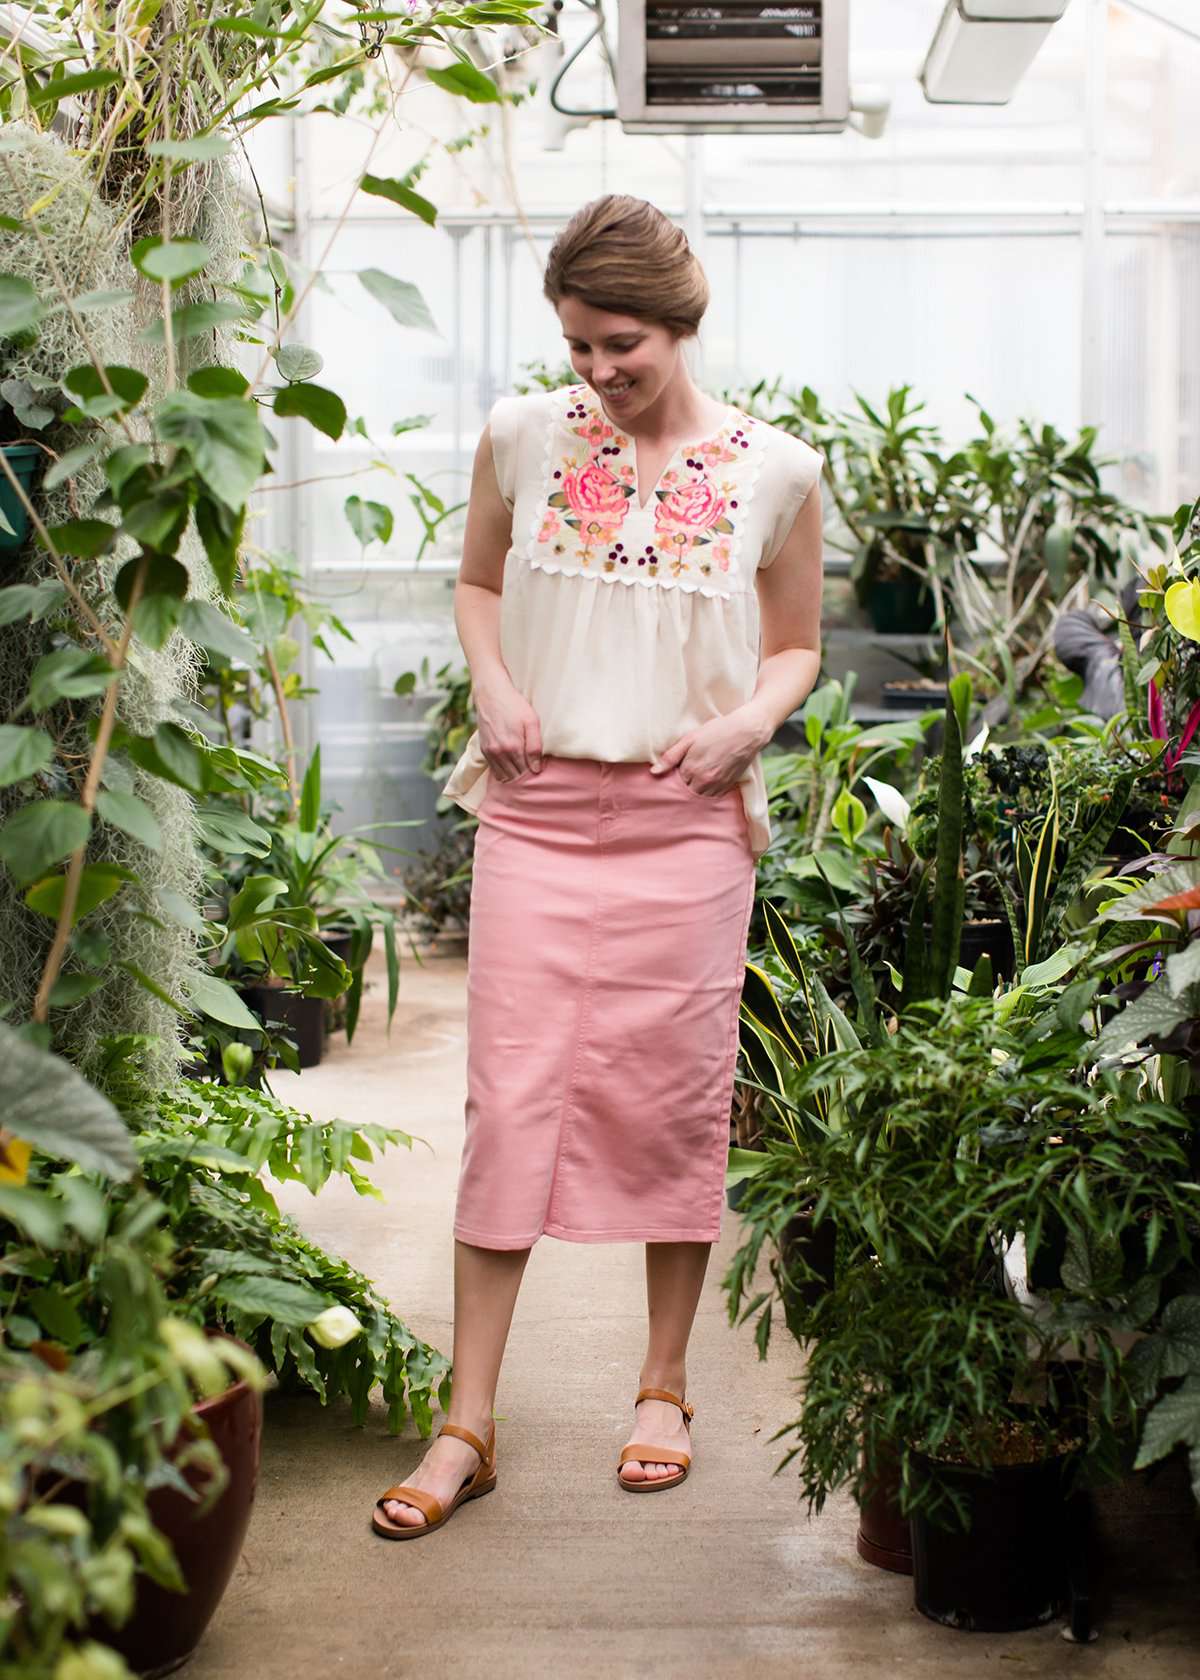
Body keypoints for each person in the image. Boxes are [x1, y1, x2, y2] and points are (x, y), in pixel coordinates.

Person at [372, 193, 824, 1540]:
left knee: (670, 1099)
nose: (599, 373)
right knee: (508, 1105)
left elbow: (793, 642)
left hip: (688, 832)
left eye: (620, 345)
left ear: (681, 325)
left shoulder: (776, 472)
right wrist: (494, 687)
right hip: (537, 815)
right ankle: (468, 1422)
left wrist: (747, 722)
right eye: (577, 347)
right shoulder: (519, 437)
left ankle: (665, 1387)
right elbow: (481, 586)